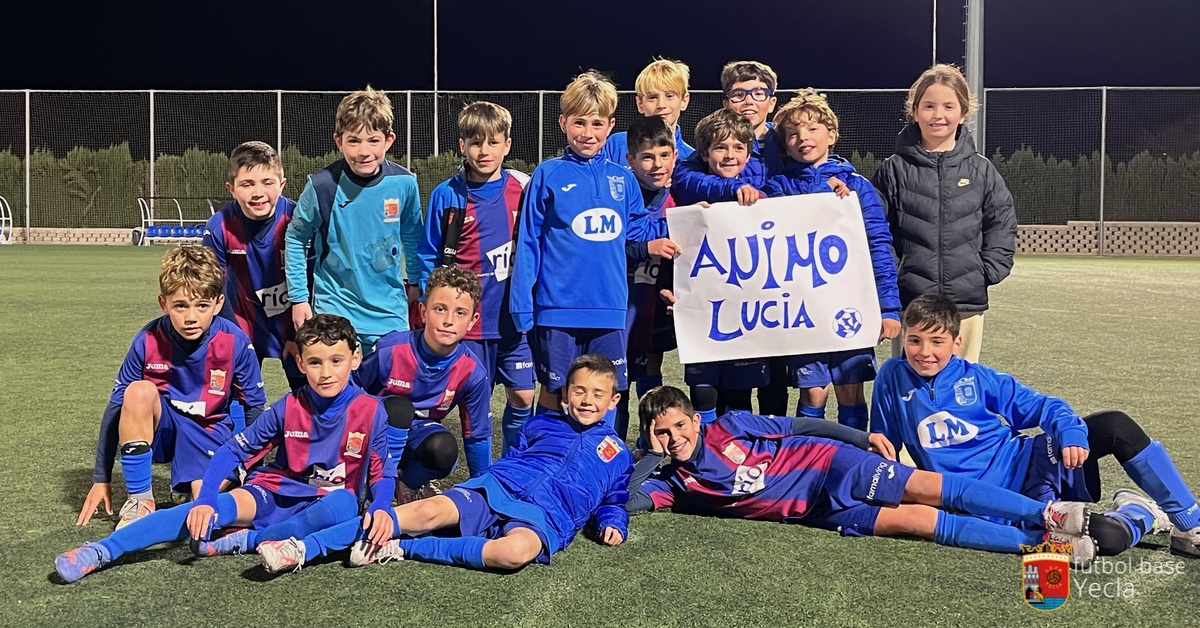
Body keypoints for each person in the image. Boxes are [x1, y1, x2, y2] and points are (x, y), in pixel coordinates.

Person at [55, 314, 395, 583]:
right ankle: (101, 551)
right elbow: (231, 451)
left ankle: (246, 541)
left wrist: (380, 504)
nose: (326, 373)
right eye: (316, 362)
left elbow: (382, 473)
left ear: (355, 359)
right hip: (276, 493)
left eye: (336, 361)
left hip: (332, 500)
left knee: (345, 504)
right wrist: (204, 502)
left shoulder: (371, 409)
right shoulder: (287, 406)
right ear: (301, 364)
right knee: (202, 513)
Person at [870, 294, 1200, 558]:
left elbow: (1043, 405)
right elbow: (884, 440)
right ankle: (1138, 511)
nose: (924, 352)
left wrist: (1069, 432)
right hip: (992, 504)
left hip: (1032, 461)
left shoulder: (976, 377)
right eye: (915, 341)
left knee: (1115, 425)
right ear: (904, 340)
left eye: (937, 342)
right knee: (1108, 540)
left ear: (956, 344)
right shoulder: (892, 377)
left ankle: (1189, 525)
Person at [628, 386, 1098, 565]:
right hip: (815, 512)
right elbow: (628, 498)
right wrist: (648, 456)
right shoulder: (673, 485)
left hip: (830, 464)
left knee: (930, 490)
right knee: (917, 524)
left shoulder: (729, 424)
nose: (674, 438)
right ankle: (1042, 546)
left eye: (679, 426)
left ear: (694, 419)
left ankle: (1049, 513)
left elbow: (802, 425)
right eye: (661, 433)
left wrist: (858, 438)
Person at [254, 354, 633, 574]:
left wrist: (613, 522)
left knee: (513, 554)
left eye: (598, 394)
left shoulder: (618, 453)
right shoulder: (541, 423)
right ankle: (301, 548)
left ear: (613, 401)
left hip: (547, 517)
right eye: (579, 390)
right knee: (429, 510)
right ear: (566, 393)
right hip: (501, 487)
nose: (587, 400)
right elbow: (514, 457)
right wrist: (484, 481)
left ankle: (401, 549)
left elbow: (613, 500)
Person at [509, 70, 669, 423]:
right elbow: (530, 241)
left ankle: (600, 470)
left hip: (609, 309)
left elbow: (639, 229)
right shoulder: (548, 174)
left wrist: (687, 218)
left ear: (611, 125)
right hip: (557, 310)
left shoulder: (623, 178)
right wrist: (522, 303)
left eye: (597, 123)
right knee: (555, 393)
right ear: (563, 122)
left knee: (603, 395)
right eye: (579, 122)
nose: (588, 133)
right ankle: (545, 463)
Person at [76, 246, 267, 530]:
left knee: (205, 507)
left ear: (217, 304)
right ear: (163, 303)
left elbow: (254, 410)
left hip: (209, 430)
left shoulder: (235, 341)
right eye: (181, 306)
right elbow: (116, 408)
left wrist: (253, 471)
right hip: (164, 430)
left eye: (202, 305)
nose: (191, 317)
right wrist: (101, 478)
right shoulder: (148, 340)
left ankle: (192, 483)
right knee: (138, 392)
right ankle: (141, 500)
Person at [760, 91, 900, 427]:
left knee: (850, 389)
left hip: (849, 307)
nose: (802, 139)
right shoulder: (778, 188)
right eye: (792, 134)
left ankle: (853, 462)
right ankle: (813, 462)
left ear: (832, 135)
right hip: (803, 310)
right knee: (813, 392)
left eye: (811, 130)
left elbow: (878, 245)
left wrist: (889, 307)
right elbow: (757, 235)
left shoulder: (856, 187)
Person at [872, 64, 1017, 362]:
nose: (938, 115)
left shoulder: (981, 169)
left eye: (948, 106)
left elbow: (1002, 223)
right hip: (911, 303)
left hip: (965, 304)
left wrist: (985, 272)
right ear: (915, 112)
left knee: (961, 387)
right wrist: (896, 277)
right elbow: (876, 230)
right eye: (929, 106)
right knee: (910, 387)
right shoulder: (893, 170)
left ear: (963, 113)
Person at [418, 101, 535, 456]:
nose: (484, 151)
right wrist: (433, 304)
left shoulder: (524, 188)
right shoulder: (447, 195)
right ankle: (482, 481)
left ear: (507, 145)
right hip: (469, 325)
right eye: (475, 143)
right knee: (475, 405)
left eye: (493, 142)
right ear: (462, 146)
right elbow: (428, 256)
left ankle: (514, 467)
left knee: (524, 394)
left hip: (514, 318)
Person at [284, 86, 424, 354]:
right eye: (354, 141)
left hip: (389, 312)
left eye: (373, 140)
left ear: (389, 140)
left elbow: (412, 236)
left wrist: (416, 284)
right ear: (339, 141)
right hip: (334, 308)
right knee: (336, 392)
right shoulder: (322, 186)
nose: (364, 151)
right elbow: (295, 238)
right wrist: (299, 298)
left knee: (392, 391)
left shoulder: (404, 183)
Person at [355, 266, 493, 500]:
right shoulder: (392, 350)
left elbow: (477, 435)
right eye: (440, 309)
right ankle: (370, 488)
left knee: (444, 449)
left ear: (472, 321)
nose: (449, 320)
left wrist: (485, 495)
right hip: (371, 439)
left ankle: (406, 484)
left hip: (416, 438)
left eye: (460, 313)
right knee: (398, 408)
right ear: (423, 311)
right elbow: (353, 391)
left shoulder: (472, 371)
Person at [677, 109, 769, 416]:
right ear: (705, 152)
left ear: (748, 153)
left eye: (738, 148)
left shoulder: (763, 184)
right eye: (720, 147)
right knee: (704, 394)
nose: (730, 156)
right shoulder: (689, 182)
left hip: (748, 309)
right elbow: (688, 181)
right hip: (703, 310)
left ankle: (738, 458)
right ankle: (703, 457)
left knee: (740, 396)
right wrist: (732, 190)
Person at [202, 140, 306, 392]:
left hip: (295, 323)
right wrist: (236, 338)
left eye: (267, 182)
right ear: (231, 189)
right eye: (247, 184)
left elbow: (313, 277)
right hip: (242, 322)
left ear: (282, 184)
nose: (258, 192)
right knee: (238, 398)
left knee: (309, 395)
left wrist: (298, 335)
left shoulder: (298, 220)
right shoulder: (220, 226)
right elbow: (212, 288)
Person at [614, 116, 681, 439]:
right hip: (621, 302)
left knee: (651, 369)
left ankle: (647, 446)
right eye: (647, 157)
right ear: (631, 160)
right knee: (617, 380)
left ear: (675, 155)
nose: (657, 165)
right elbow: (607, 249)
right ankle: (611, 449)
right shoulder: (619, 193)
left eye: (664, 155)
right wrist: (645, 247)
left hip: (658, 301)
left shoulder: (682, 196)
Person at [671, 60, 781, 203]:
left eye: (758, 93)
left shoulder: (786, 139)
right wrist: (731, 187)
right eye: (739, 94)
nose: (749, 101)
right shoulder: (716, 139)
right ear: (726, 104)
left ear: (771, 103)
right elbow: (684, 177)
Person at [599, 58, 694, 167]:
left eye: (669, 96)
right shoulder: (616, 145)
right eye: (652, 97)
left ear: (684, 101)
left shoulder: (691, 158)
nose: (661, 105)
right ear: (640, 104)